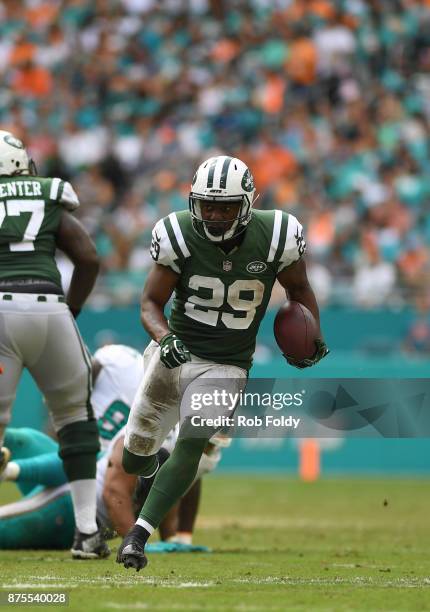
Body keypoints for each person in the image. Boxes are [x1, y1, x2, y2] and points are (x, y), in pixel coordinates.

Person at [117, 155, 329, 571]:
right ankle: (152, 471)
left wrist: (312, 336)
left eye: (226, 206)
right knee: (135, 457)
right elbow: (149, 303)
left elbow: (300, 290)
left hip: (228, 364)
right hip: (174, 354)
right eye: (208, 205)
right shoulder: (178, 233)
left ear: (247, 204)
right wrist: (165, 337)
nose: (214, 215)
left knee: (192, 443)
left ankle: (137, 537)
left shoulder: (277, 235)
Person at [0, 129, 108, 559]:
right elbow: (88, 257)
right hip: (49, 308)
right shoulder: (47, 194)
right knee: (75, 420)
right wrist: (71, 309)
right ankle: (86, 532)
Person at [0, 344, 222, 550]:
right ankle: (9, 469)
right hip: (86, 479)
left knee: (83, 457)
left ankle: (10, 470)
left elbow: (179, 485)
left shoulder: (179, 433)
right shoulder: (152, 417)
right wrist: (136, 541)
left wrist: (177, 541)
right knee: (23, 440)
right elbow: (113, 490)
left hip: (86, 484)